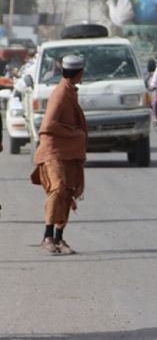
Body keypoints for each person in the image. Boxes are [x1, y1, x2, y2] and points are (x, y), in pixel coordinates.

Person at [30, 55, 88, 255]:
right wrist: (75, 134)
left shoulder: (70, 90)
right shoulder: (61, 93)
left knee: (67, 191)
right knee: (57, 189)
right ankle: (47, 236)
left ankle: (59, 238)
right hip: (54, 150)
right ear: (80, 73)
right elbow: (49, 125)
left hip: (68, 151)